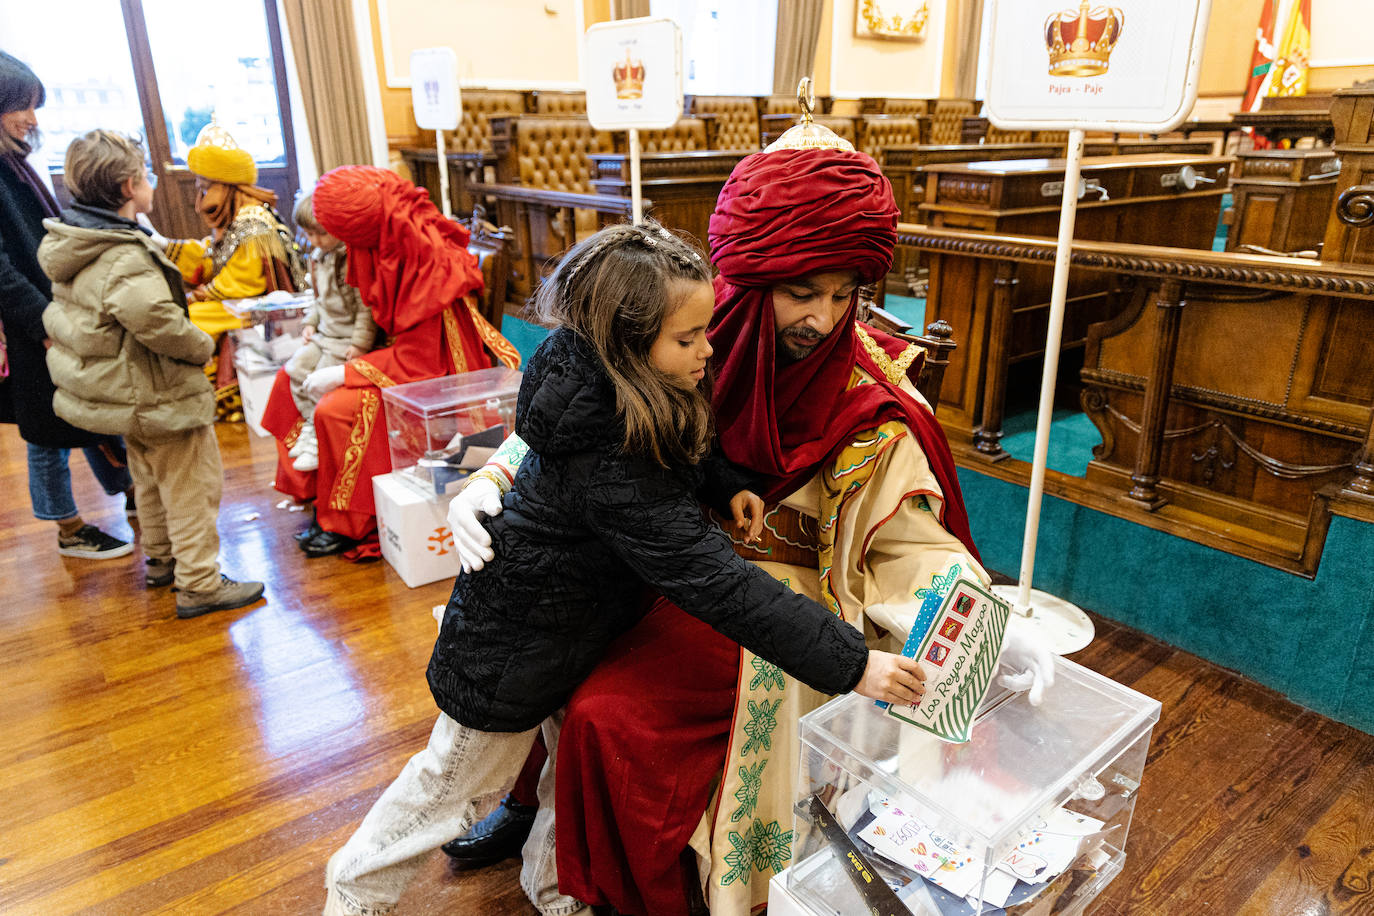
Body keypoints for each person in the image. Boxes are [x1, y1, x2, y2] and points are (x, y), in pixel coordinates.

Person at [448, 142, 1056, 915]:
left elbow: (909, 543)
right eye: (801, 292)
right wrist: (488, 482)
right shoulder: (693, 335)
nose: (823, 318)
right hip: (649, 565)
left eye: (844, 295)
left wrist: (984, 614)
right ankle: (540, 813)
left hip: (790, 600)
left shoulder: (873, 400)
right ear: (750, 281)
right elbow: (575, 425)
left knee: (611, 716)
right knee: (556, 650)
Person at [323, 221, 927, 916]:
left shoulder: (610, 380)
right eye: (688, 339)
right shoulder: (608, 456)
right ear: (627, 345)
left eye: (704, 331)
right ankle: (353, 891)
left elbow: (680, 443)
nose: (709, 349)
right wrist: (853, 665)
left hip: (574, 629)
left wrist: (721, 482)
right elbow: (714, 581)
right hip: (514, 652)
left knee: (556, 780)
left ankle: (553, 891)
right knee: (445, 789)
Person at [38, 129, 265, 618]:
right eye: (146, 176)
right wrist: (201, 345)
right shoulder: (123, 255)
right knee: (191, 486)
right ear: (127, 188)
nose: (152, 183)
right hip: (158, 393)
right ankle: (201, 584)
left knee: (150, 478)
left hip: (127, 397)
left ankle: (161, 560)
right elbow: (157, 320)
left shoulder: (78, 240)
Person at [260, 165, 519, 558]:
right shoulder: (389, 242)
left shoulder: (425, 261)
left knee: (337, 411)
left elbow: (421, 363)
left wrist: (346, 372)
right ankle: (318, 495)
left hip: (441, 371)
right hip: (399, 355)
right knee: (286, 382)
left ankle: (353, 520)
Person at [0, 49, 134, 560]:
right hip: (30, 319)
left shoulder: (12, 161)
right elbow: (2, 271)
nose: (32, 119)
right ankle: (68, 526)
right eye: (22, 107)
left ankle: (129, 489)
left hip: (48, 310)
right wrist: (44, 322)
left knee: (87, 408)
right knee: (45, 428)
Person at [156, 123, 303, 421]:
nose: (200, 201)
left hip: (257, 307)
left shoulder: (254, 222)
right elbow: (212, 260)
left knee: (188, 318)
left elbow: (244, 281)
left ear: (226, 186)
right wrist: (166, 246)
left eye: (205, 189)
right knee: (182, 313)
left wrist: (197, 296)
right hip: (236, 301)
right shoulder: (235, 218)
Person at [282, 192, 376, 473]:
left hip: (345, 339)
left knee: (316, 379)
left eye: (320, 234)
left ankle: (314, 437)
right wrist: (310, 322)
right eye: (308, 234)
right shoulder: (317, 256)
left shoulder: (351, 259)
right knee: (295, 368)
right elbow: (318, 298)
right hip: (324, 333)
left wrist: (360, 343)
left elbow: (365, 306)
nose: (314, 241)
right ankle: (311, 426)